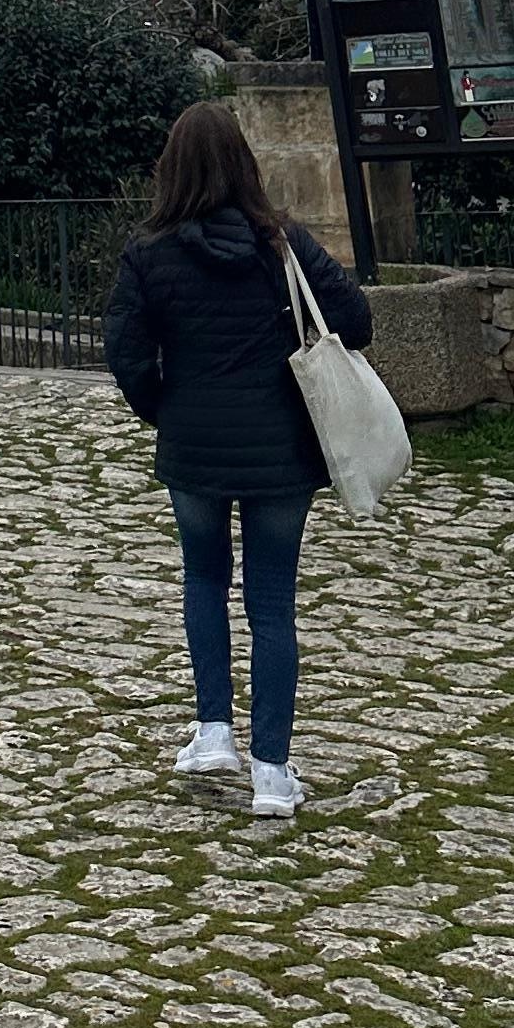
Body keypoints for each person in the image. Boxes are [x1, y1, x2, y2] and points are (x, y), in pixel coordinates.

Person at [103, 101, 373, 818]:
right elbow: (356, 321)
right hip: (282, 448)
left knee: (203, 578)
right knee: (272, 602)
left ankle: (214, 730)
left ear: (171, 167)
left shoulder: (148, 252)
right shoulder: (285, 245)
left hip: (193, 444)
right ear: (245, 164)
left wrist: (166, 410)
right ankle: (272, 774)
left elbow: (126, 354)